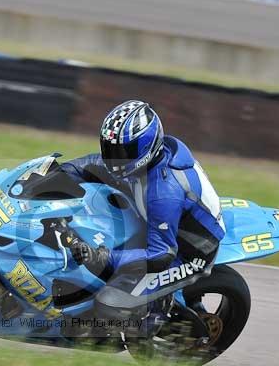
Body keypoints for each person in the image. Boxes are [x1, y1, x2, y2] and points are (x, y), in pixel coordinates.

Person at [62, 100, 225, 309]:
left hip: (188, 252)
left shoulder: (163, 193)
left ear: (145, 148)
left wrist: (103, 257)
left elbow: (160, 254)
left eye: (121, 152)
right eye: (110, 150)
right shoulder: (145, 162)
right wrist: (56, 173)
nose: (113, 159)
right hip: (163, 223)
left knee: (110, 303)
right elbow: (92, 165)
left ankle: (154, 324)